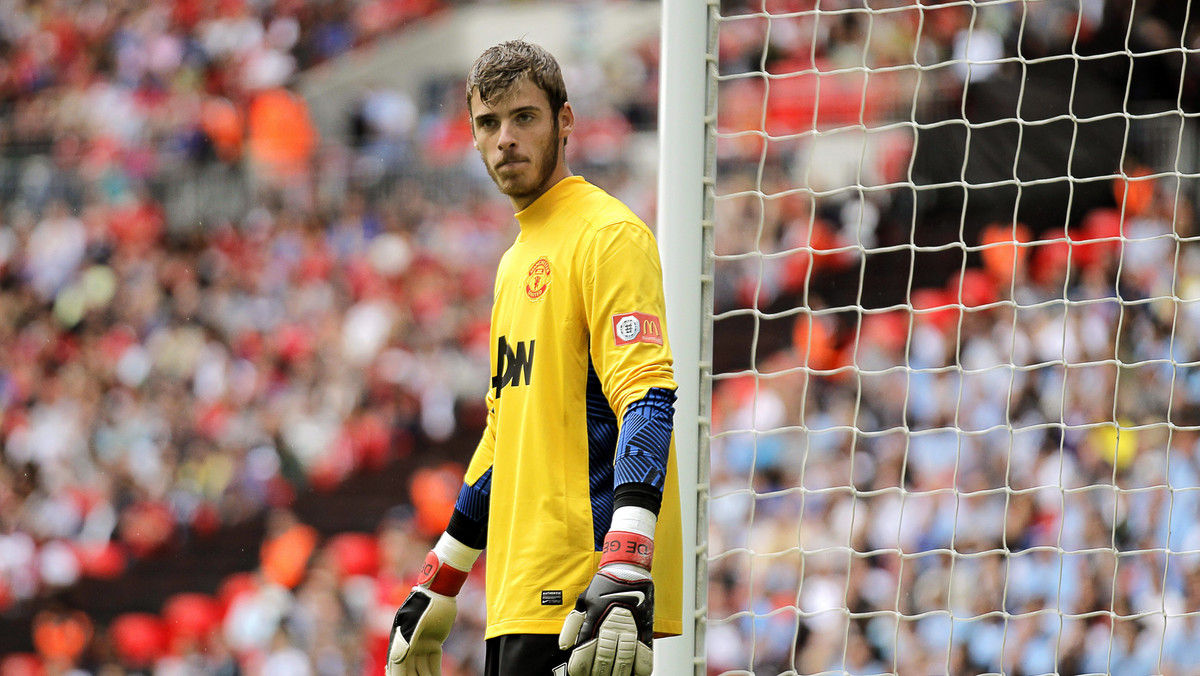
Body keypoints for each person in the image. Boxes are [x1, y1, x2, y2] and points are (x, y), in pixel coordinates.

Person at [385, 40, 683, 676]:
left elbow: (649, 396)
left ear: (565, 122)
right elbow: (504, 438)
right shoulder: (513, 262)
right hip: (518, 597)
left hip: (585, 601)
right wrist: (437, 581)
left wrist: (627, 559)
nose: (505, 139)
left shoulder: (608, 236)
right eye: (488, 124)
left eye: (524, 117)